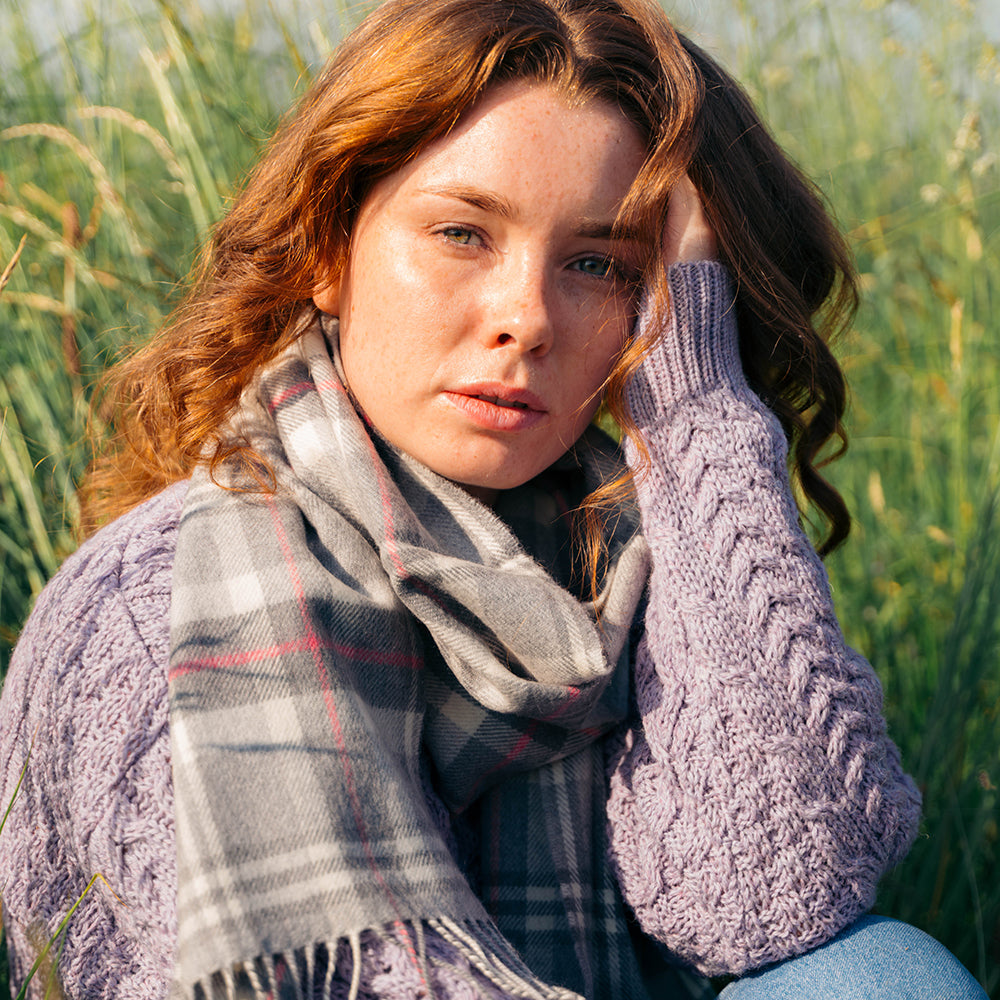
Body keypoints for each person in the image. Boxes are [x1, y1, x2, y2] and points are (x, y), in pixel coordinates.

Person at [0, 1, 988, 998]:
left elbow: (774, 898)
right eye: (461, 233)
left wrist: (690, 402)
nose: (526, 318)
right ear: (327, 250)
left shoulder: (638, 547)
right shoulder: (164, 602)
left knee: (878, 974)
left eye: (598, 264)